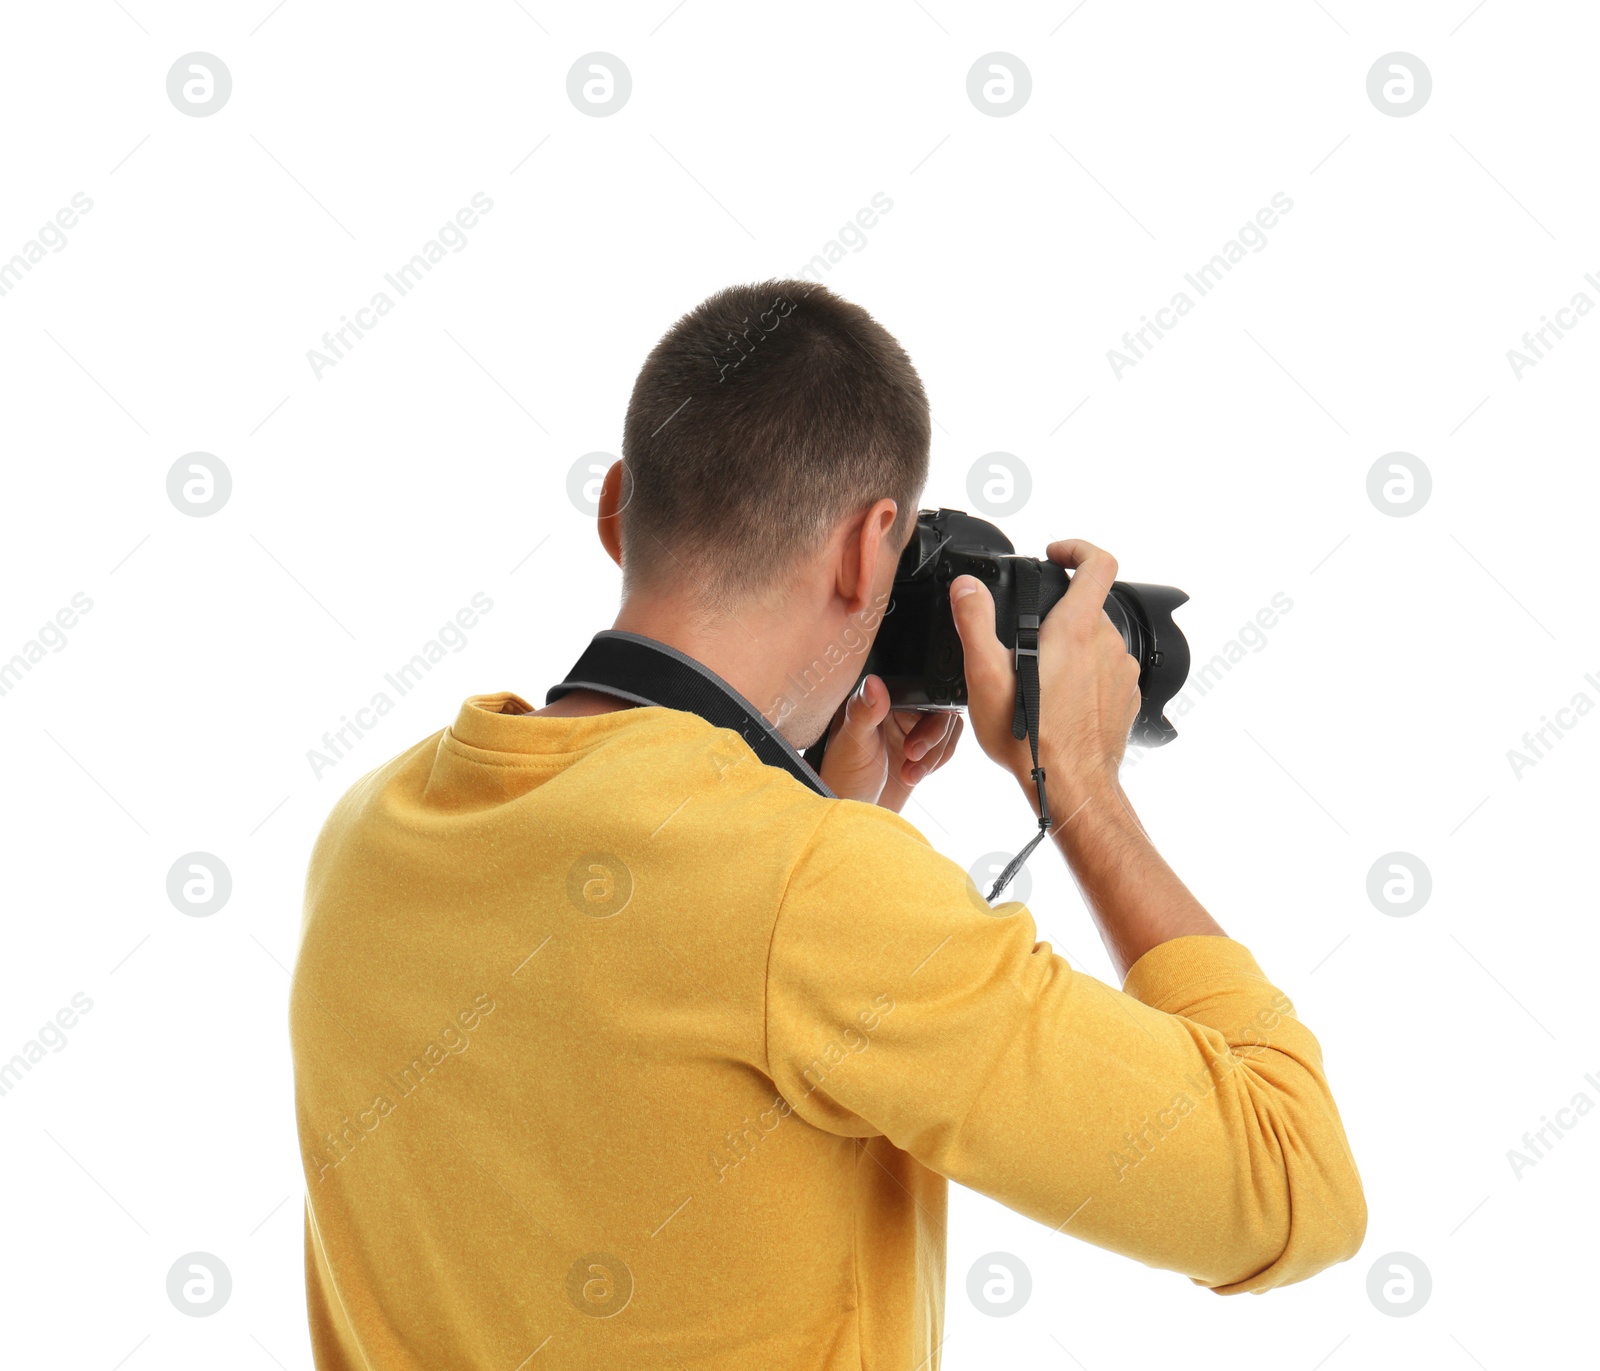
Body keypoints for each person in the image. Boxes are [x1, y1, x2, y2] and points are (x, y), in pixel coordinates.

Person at [290, 281, 1366, 1370]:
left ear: (617, 509)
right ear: (869, 550)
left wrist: (818, 828)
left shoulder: (371, 827)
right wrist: (1080, 786)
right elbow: (1294, 1185)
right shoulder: (813, 893)